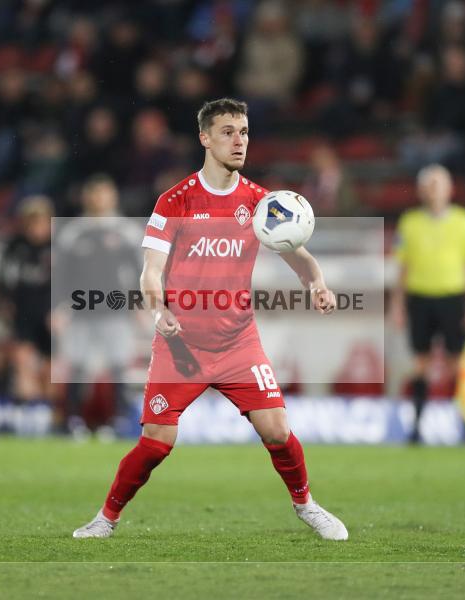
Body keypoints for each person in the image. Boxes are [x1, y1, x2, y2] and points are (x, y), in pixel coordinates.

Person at [73, 98, 348, 541]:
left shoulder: (261, 204)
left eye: (243, 131)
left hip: (238, 343)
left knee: (277, 430)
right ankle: (105, 518)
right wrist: (159, 310)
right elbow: (151, 271)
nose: (238, 141)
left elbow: (300, 258)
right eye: (227, 132)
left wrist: (316, 282)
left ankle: (306, 505)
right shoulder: (175, 201)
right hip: (181, 344)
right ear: (205, 138)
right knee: (157, 442)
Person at [390, 165, 465, 444]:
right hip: (420, 298)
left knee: (459, 363)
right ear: (421, 190)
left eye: (438, 184)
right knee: (420, 363)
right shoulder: (409, 222)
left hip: (454, 298)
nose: (433, 190)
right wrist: (398, 304)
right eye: (429, 184)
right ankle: (417, 427)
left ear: (449, 188)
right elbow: (403, 268)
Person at [53, 174, 142, 439]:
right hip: (81, 312)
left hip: (115, 312)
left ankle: (116, 423)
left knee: (118, 367)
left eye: (103, 193)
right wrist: (59, 307)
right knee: (77, 367)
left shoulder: (126, 231)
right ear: (86, 197)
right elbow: (60, 274)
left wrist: (138, 304)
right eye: (94, 193)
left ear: (112, 196)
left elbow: (139, 270)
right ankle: (73, 422)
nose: (98, 199)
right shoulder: (72, 231)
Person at [0, 196, 55, 415]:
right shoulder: (15, 247)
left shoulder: (57, 247)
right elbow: (4, 279)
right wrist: (5, 302)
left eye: (41, 222)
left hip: (50, 316)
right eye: (32, 223)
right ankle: (29, 413)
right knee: (23, 363)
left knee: (51, 370)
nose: (37, 229)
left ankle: (48, 412)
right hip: (23, 314)